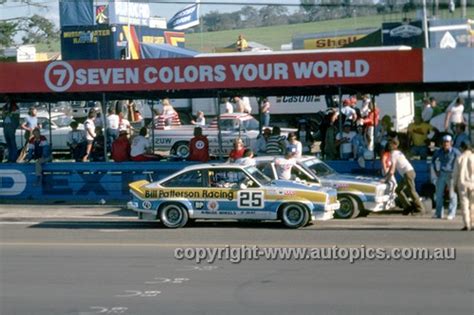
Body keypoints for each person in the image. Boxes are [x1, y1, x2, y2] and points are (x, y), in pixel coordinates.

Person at [384, 138, 424, 215]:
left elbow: (392, 171)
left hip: (407, 173)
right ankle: (408, 207)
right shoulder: (398, 152)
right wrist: (387, 175)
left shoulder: (393, 155)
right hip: (408, 172)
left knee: (411, 191)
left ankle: (420, 209)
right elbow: (392, 168)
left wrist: (386, 179)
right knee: (398, 190)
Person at [431, 135, 461, 220]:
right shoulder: (439, 152)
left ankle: (451, 213)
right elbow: (433, 160)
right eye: (444, 142)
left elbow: (461, 161)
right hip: (441, 174)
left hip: (451, 174)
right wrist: (436, 170)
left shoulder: (455, 152)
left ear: (451, 142)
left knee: (452, 195)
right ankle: (438, 213)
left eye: (447, 142)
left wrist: (457, 173)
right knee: (438, 194)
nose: (445, 143)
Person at [452, 142, 474, 231]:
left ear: (462, 148)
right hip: (473, 183)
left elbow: (455, 173)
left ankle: (467, 224)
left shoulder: (460, 158)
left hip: (462, 183)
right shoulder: (473, 157)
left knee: (464, 204)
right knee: (473, 205)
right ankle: (473, 223)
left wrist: (453, 185)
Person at [381, 142, 397, 209]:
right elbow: (384, 163)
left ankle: (390, 199)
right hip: (386, 170)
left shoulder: (391, 154)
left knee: (392, 184)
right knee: (394, 184)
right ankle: (390, 199)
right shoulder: (385, 154)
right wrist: (386, 173)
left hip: (390, 170)